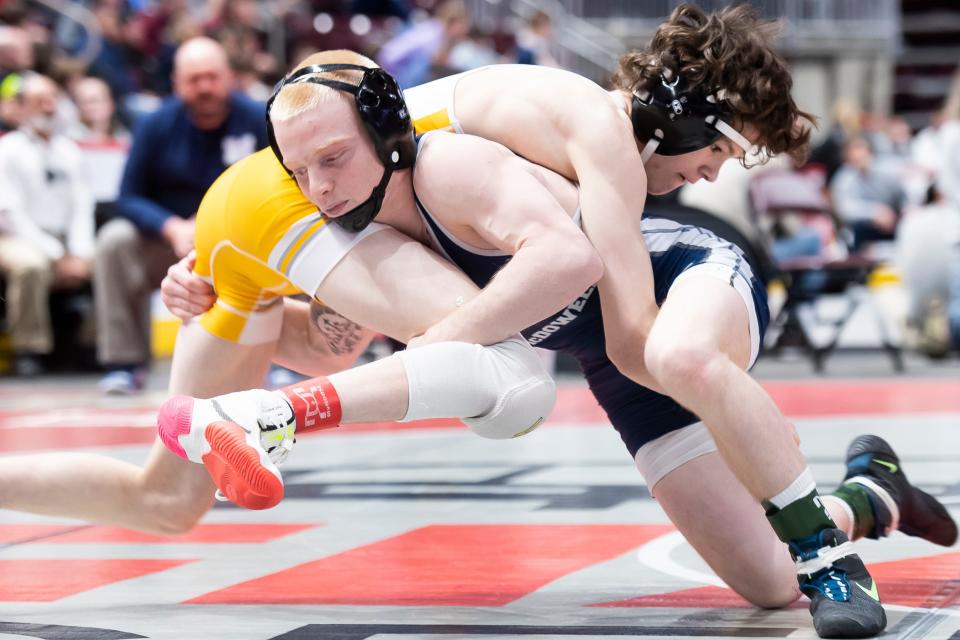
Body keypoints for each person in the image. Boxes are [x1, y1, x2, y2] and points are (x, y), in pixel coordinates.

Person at [160, 46, 954, 639]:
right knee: (766, 585)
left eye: (331, 161)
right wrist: (222, 295)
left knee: (668, 358)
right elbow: (335, 340)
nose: (322, 188)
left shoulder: (455, 164)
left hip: (687, 272)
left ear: (379, 134)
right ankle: (872, 492)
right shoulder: (371, 221)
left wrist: (442, 342)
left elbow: (570, 261)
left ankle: (831, 560)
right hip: (611, 360)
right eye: (303, 175)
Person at [93, 36, 268, 394]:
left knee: (292, 237)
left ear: (229, 77)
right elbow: (128, 196)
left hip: (241, 244)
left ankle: (284, 365)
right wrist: (170, 227)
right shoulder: (154, 125)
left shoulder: (259, 119)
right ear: (176, 83)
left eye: (212, 76)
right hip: (172, 245)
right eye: (194, 79)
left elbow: (280, 187)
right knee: (114, 241)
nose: (204, 87)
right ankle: (124, 365)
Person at [0, 73, 95, 376]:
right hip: (14, 238)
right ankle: (30, 349)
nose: (49, 106)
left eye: (52, 98)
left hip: (66, 241)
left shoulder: (69, 150)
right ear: (20, 107)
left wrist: (79, 252)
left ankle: (91, 345)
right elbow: (11, 214)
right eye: (39, 100)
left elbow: (82, 206)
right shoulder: (7, 150)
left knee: (106, 261)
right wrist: (56, 255)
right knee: (31, 265)